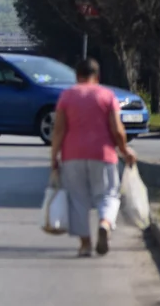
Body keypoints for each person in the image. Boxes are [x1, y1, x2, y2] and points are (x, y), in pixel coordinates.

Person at [50, 57, 136, 257]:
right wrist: (125, 151)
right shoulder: (107, 96)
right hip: (103, 154)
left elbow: (59, 130)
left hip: (72, 155)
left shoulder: (67, 96)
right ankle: (105, 223)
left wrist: (54, 156)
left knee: (77, 199)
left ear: (77, 76)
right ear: (97, 76)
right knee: (108, 194)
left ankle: (85, 245)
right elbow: (117, 130)